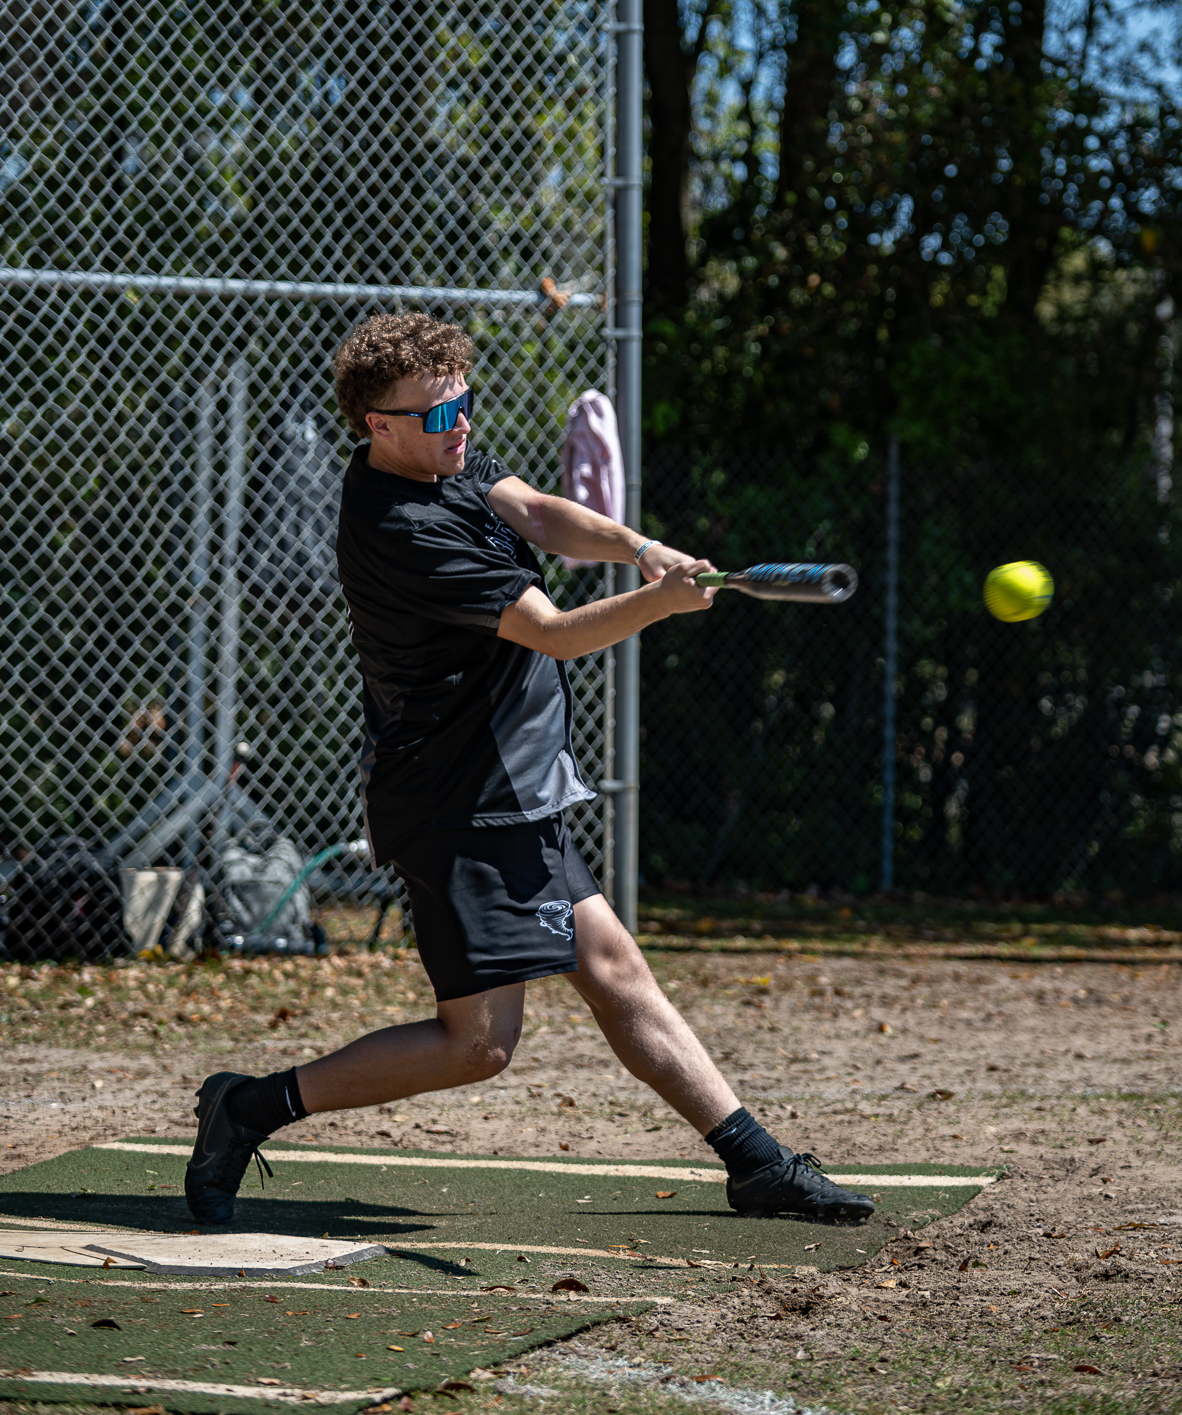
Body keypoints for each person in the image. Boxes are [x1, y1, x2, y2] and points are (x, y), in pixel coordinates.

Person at [185, 312, 872, 1229]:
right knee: (476, 1048)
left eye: (463, 403)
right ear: (375, 425)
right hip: (458, 801)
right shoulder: (402, 527)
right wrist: (659, 605)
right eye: (436, 415)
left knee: (615, 970)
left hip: (511, 785)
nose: (458, 425)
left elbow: (538, 513)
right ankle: (248, 1107)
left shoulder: (440, 456)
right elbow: (551, 630)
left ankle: (757, 1165)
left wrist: (640, 548)